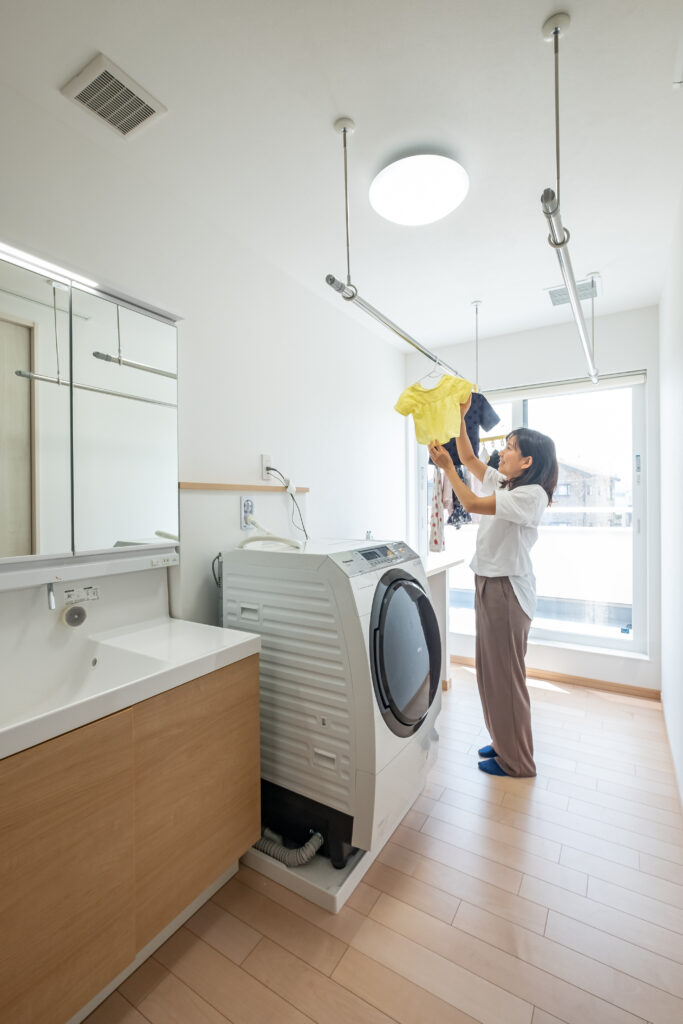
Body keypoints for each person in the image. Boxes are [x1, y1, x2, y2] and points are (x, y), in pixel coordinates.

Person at [428, 397, 558, 778]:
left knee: (506, 677)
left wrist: (447, 469)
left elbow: (468, 500)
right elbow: (469, 457)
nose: (502, 450)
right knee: (489, 673)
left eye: (511, 447)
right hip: (488, 582)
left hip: (506, 591)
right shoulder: (507, 482)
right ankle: (504, 743)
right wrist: (462, 415)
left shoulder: (529, 495)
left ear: (527, 461)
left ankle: (518, 760)